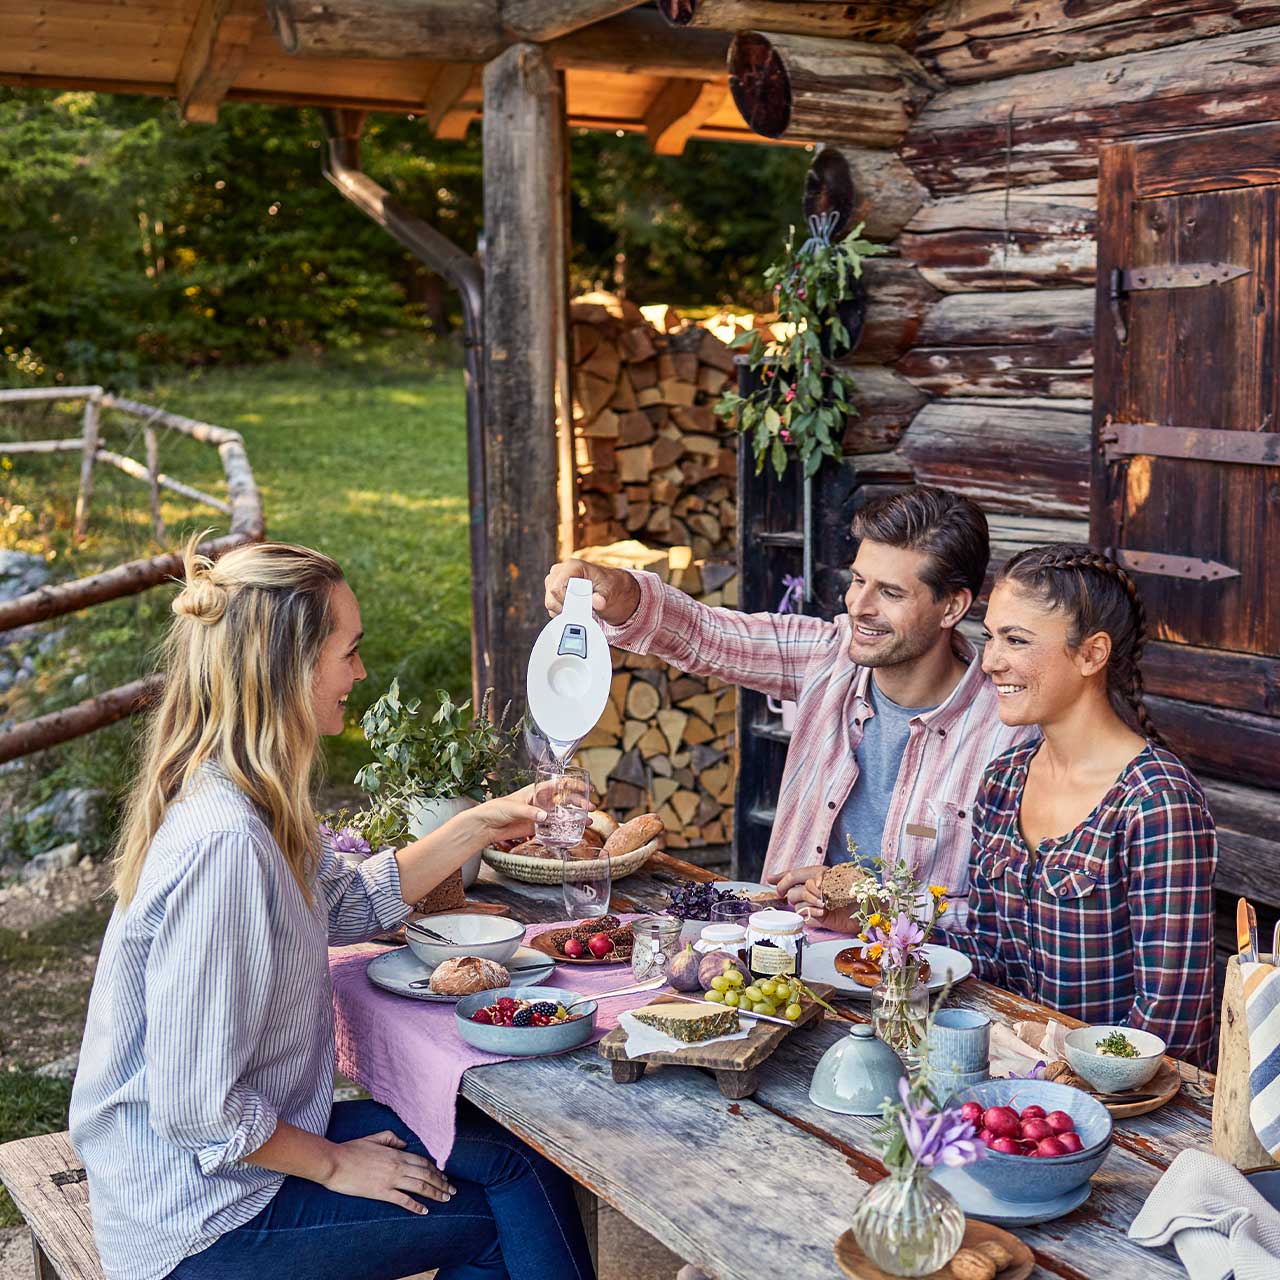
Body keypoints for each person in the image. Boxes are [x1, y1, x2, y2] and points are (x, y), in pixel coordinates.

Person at [69, 539, 596, 1280]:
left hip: (235, 1157)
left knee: (522, 1158)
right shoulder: (226, 845)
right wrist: (333, 1164)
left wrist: (479, 823)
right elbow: (196, 1107)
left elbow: (344, 903)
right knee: (505, 1213)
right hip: (197, 1214)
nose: (361, 672)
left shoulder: (249, 794)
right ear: (289, 667)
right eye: (349, 652)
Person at [544, 486, 1031, 931]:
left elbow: (1009, 914)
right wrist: (618, 590)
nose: (859, 605)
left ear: (952, 607)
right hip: (782, 959)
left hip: (920, 982)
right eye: (858, 580)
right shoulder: (827, 655)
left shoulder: (1008, 730)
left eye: (890, 592)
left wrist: (880, 909)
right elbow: (705, 634)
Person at [938, 544, 1216, 1065]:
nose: (990, 661)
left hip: (1118, 1099)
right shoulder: (1003, 780)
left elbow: (1169, 1023)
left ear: (1091, 655)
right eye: (990, 637)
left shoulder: (1156, 803)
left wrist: (1070, 1081)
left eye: (1015, 640)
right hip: (1014, 1071)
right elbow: (990, 956)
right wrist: (878, 927)